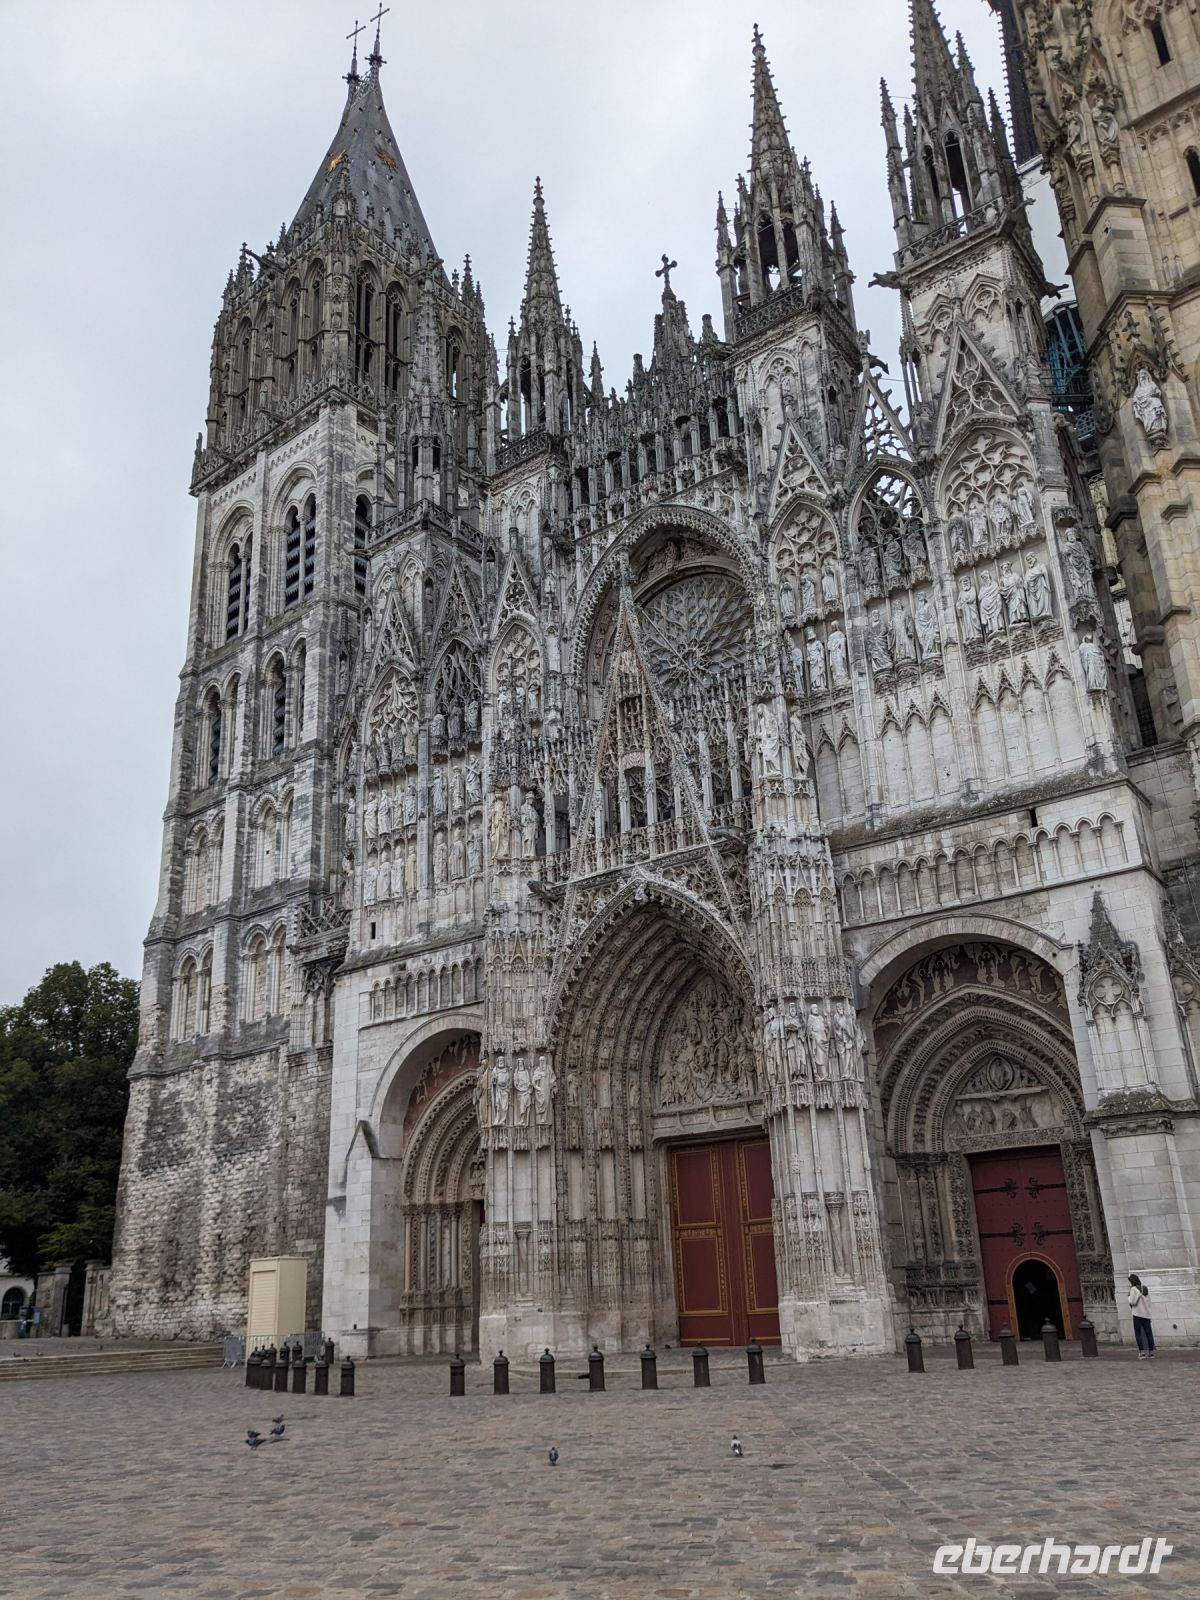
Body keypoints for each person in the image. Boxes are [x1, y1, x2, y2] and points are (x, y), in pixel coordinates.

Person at [1128, 1273, 1155, 1359]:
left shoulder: (1133, 1289)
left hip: (1137, 1314)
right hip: (1146, 1314)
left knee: (1138, 1333)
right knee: (1149, 1333)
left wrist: (1129, 1297)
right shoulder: (1145, 1288)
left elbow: (1132, 1302)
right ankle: (1151, 1353)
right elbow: (1149, 1302)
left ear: (1132, 1281)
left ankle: (1142, 1353)